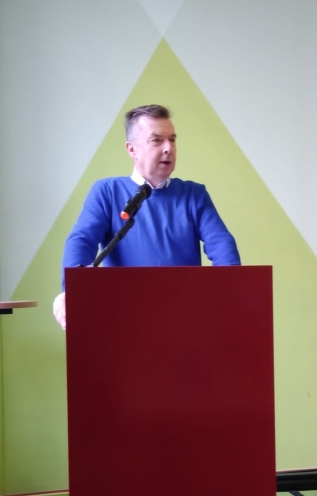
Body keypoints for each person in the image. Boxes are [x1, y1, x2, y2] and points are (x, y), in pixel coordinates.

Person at [52, 104, 240, 329]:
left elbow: (221, 244)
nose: (168, 148)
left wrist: (228, 293)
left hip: (185, 320)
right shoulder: (107, 192)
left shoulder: (194, 194)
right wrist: (71, 292)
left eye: (172, 140)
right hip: (124, 321)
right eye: (157, 140)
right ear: (132, 149)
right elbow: (82, 240)